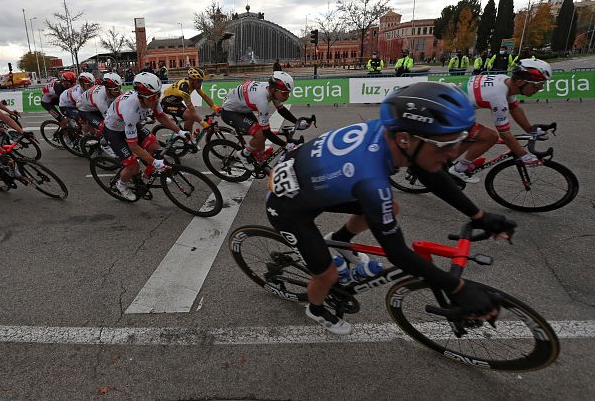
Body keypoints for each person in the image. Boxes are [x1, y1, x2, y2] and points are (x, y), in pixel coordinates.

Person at [265, 81, 516, 334]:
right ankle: (316, 310)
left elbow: (431, 173)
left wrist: (479, 215)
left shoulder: (396, 135)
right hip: (288, 207)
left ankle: (340, 240)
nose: (454, 153)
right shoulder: (372, 179)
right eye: (444, 145)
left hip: (311, 182)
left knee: (389, 207)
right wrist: (458, 288)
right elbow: (397, 253)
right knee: (327, 276)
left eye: (458, 141)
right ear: (406, 139)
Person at [449, 58, 552, 182]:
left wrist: (531, 130)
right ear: (520, 82)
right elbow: (505, 134)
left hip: (452, 108)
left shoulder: (504, 80)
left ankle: (443, 163)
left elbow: (515, 108)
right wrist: (524, 156)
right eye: (537, 85)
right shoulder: (498, 97)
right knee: (490, 137)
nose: (538, 89)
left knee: (476, 137)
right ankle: (459, 168)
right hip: (449, 114)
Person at [102, 72, 188, 200]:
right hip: (114, 131)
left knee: (155, 146)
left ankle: (146, 176)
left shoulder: (152, 99)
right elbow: (133, 145)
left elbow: (161, 116)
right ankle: (121, 185)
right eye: (154, 97)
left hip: (130, 124)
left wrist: (180, 132)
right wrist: (154, 162)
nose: (157, 99)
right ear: (142, 97)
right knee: (133, 166)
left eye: (158, 95)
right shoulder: (130, 109)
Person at [220, 71, 308, 166]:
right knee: (261, 134)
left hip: (242, 107)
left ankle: (260, 155)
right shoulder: (262, 100)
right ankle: (243, 154)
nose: (287, 96)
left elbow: (281, 109)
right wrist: (285, 145)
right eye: (285, 93)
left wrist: (297, 122)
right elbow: (267, 132)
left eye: (288, 93)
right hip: (230, 112)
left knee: (261, 131)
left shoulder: (271, 89)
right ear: (274, 89)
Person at [161, 67, 222, 135]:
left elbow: (204, 96)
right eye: (199, 81)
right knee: (190, 115)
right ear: (192, 80)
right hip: (165, 104)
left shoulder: (194, 84)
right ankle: (187, 139)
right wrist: (204, 124)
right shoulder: (184, 89)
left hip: (176, 102)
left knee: (191, 116)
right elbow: (192, 110)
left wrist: (215, 107)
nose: (200, 83)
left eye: (201, 81)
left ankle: (188, 135)